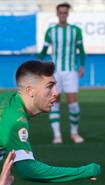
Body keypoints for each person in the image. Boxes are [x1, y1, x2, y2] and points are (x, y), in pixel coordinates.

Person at [38, 2, 86, 144]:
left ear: (68, 14)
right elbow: (44, 50)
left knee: (73, 103)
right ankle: (57, 135)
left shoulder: (75, 30)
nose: (63, 15)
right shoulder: (51, 31)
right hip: (55, 72)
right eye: (61, 12)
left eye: (65, 12)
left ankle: (74, 133)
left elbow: (81, 50)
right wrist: (36, 65)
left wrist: (82, 65)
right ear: (57, 14)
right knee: (54, 101)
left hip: (71, 71)